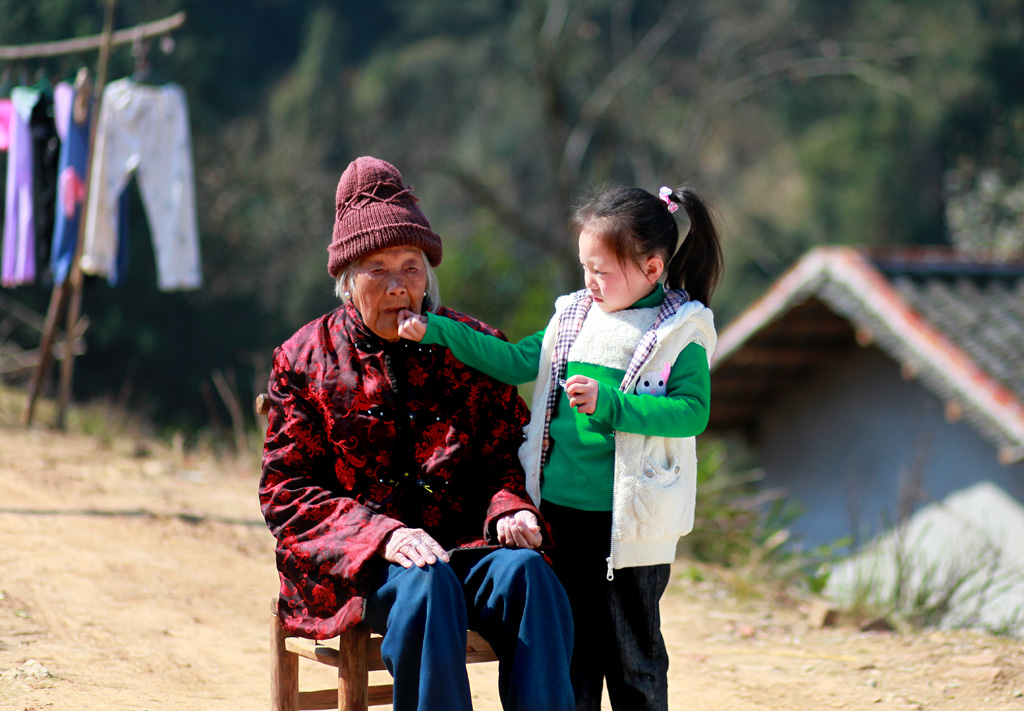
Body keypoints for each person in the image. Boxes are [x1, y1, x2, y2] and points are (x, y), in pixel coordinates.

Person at [259, 156, 575, 711]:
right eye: (376, 269)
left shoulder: (472, 346)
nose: (398, 286)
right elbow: (285, 493)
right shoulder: (305, 358)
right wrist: (382, 535)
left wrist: (509, 508)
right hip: (363, 566)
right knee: (428, 586)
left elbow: (503, 455)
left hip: (463, 546)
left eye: (411, 266)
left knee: (531, 577)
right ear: (346, 280)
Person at [399, 183, 724, 711]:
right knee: (568, 656)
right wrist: (438, 330)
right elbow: (512, 361)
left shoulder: (679, 331)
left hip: (630, 530)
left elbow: (693, 412)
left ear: (652, 269)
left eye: (603, 270)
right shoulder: (573, 317)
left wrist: (612, 403)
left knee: (633, 659)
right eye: (585, 267)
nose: (591, 282)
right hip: (560, 521)